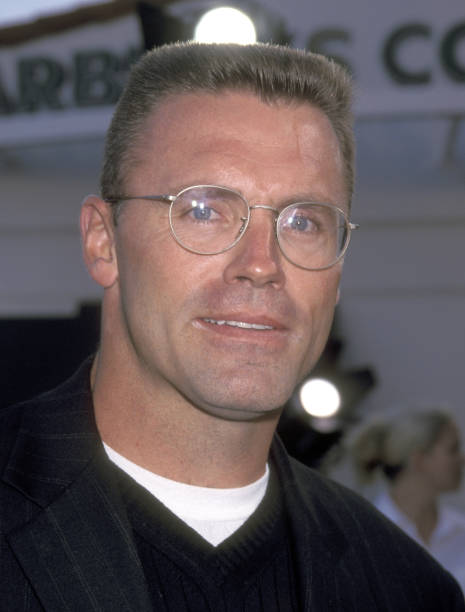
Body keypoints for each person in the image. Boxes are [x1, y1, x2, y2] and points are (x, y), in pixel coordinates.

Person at [1, 42, 463, 611]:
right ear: (104, 242)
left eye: (304, 222)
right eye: (204, 210)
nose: (262, 264)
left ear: (338, 272)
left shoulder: (409, 591)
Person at [348, 407, 465, 593]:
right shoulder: (367, 535)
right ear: (419, 459)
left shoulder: (460, 530)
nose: (462, 458)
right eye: (453, 449)